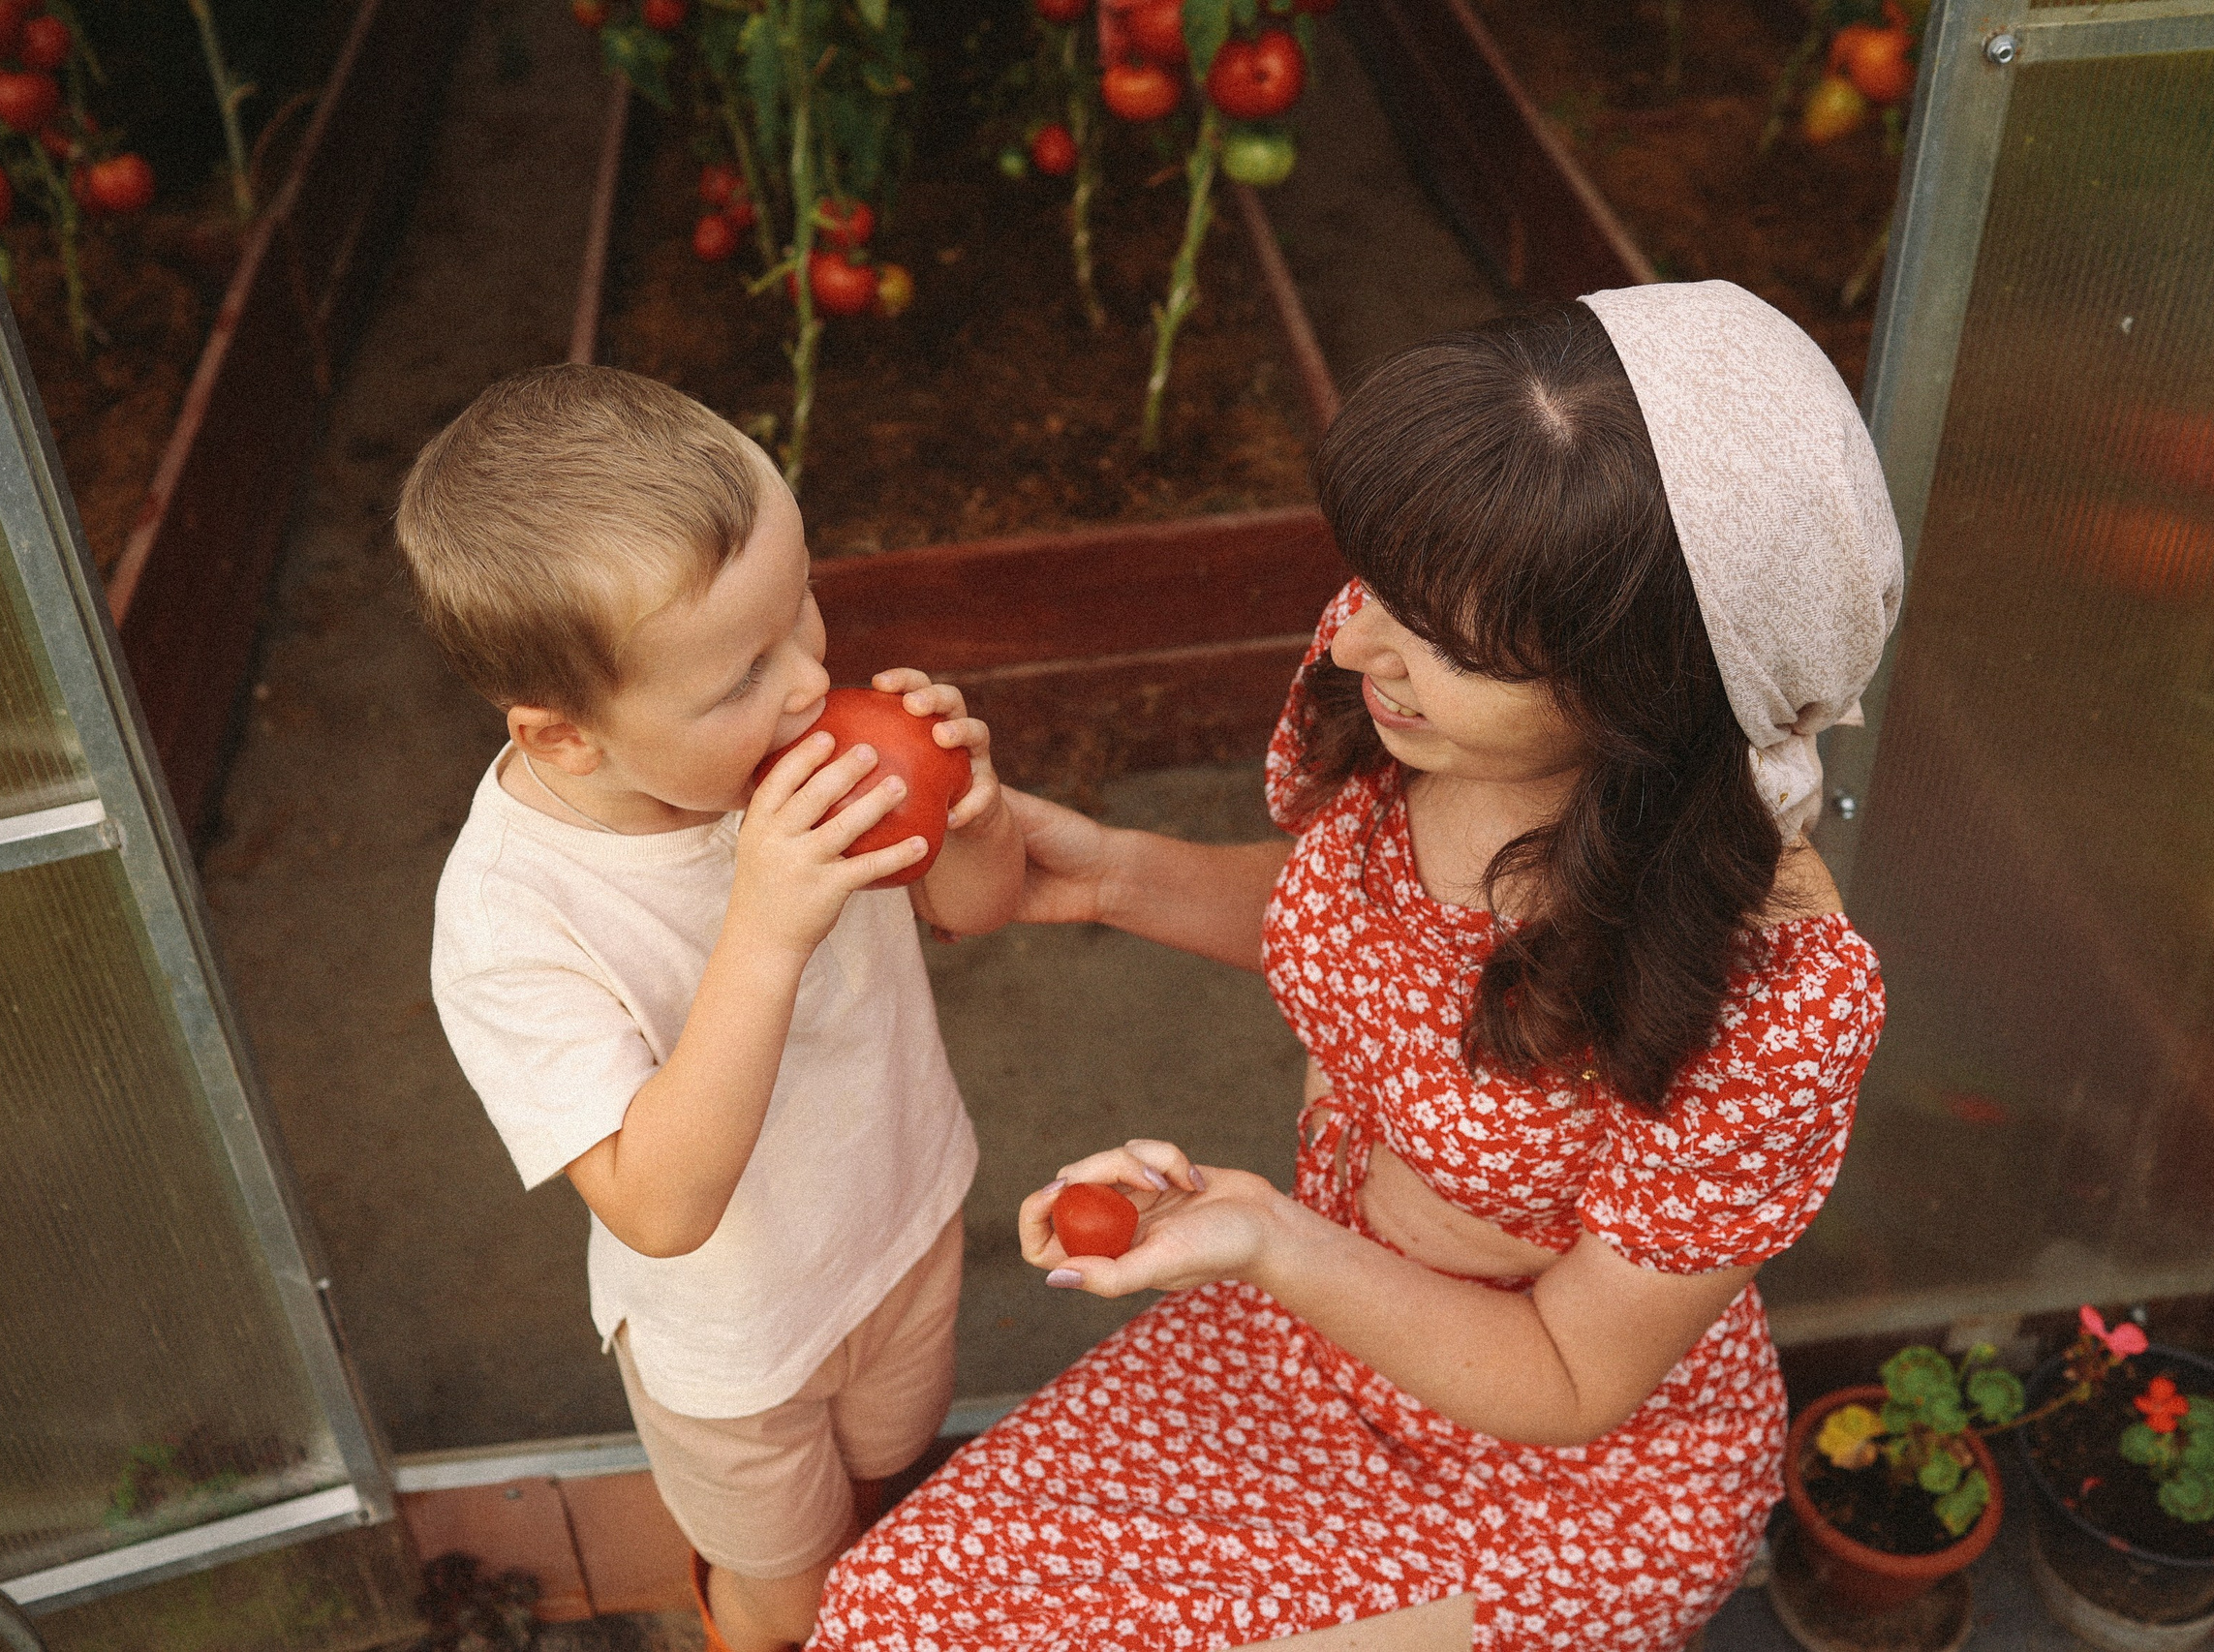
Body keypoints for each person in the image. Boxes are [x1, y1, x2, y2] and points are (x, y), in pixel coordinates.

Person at [813, 284, 1903, 1652]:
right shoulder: (1403, 694)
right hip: (1316, 1329)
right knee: (895, 1610)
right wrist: (1096, 870)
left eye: (1446, 639)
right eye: (1379, 580)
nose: (1356, 639)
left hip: (1558, 1478)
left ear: (1648, 685)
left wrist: (1270, 1236)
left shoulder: (1769, 991)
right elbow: (1375, 935)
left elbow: (1573, 1371)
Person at [395, 365, 1025, 1652]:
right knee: (788, 1592)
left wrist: (969, 803)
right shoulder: (513, 917)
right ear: (567, 736)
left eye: (803, 607)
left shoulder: (799, 754)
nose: (806, 683)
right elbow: (657, 1203)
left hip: (902, 1226)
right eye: (740, 676)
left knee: (891, 1501)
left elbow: (975, 904)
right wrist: (767, 921)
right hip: (737, 1348)